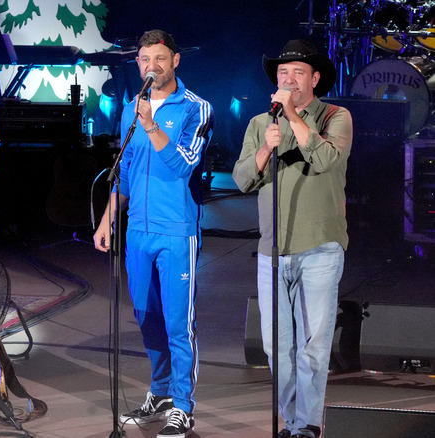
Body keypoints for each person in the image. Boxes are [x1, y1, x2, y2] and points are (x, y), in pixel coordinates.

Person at [93, 29, 213, 438]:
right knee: (146, 318)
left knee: (179, 324)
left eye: (159, 58)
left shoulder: (196, 108)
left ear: (175, 60)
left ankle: (183, 406)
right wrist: (108, 218)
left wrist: (151, 125)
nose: (151, 67)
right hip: (138, 232)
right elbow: (124, 173)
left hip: (177, 232)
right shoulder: (131, 108)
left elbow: (183, 164)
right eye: (144, 59)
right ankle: (160, 392)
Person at [232, 40, 352, 438]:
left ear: (315, 78)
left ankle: (307, 427)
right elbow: (243, 179)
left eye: (297, 72)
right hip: (272, 251)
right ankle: (293, 419)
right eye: (283, 73)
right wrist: (266, 148)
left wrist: (293, 117)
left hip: (320, 249)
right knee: (277, 350)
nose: (289, 79)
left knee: (314, 348)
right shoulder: (258, 125)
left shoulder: (336, 116)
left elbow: (324, 159)